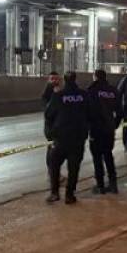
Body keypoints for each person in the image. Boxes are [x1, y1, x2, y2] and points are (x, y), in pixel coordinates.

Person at [44, 71, 89, 204]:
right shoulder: (84, 95)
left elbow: (48, 114)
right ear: (75, 79)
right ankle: (69, 195)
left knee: (54, 165)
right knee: (74, 168)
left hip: (61, 138)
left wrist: (50, 134)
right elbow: (91, 113)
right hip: (78, 138)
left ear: (64, 80)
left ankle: (54, 193)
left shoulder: (59, 95)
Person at [86, 68, 122, 194]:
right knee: (108, 155)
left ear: (95, 77)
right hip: (109, 129)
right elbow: (120, 111)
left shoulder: (91, 90)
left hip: (96, 129)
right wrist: (114, 124)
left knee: (97, 157)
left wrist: (88, 127)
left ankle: (100, 185)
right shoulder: (113, 90)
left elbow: (87, 111)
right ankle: (113, 184)